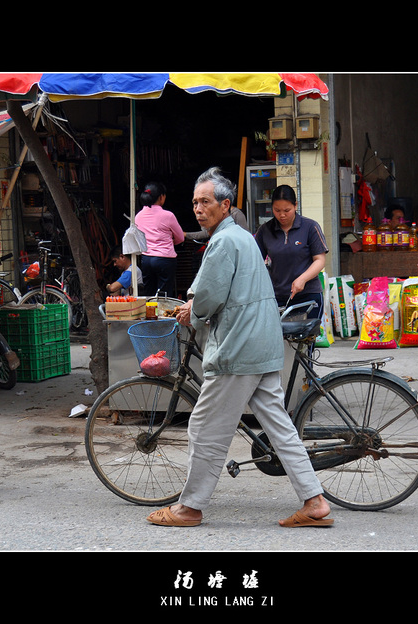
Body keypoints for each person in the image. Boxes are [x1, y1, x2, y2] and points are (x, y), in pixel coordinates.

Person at [146, 167, 332, 528]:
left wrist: (192, 311)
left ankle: (190, 507)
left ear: (226, 204)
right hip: (262, 344)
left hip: (239, 348)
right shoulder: (243, 237)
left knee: (204, 426)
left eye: (206, 202)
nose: (198, 209)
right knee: (279, 427)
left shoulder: (223, 241)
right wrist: (198, 307)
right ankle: (315, 501)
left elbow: (209, 295)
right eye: (195, 202)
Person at [254, 185, 328, 320]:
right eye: (277, 210)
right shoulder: (265, 230)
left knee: (305, 339)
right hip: (277, 297)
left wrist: (302, 279)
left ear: (295, 205)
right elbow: (255, 262)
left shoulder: (310, 227)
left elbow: (320, 260)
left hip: (308, 296)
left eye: (287, 210)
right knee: (277, 339)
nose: (282, 215)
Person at [134, 181, 184, 297]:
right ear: (161, 197)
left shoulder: (138, 216)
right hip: (165, 259)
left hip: (146, 259)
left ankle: (149, 315)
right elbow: (180, 238)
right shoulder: (168, 215)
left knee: (149, 294)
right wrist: (172, 242)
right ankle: (163, 315)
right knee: (164, 295)